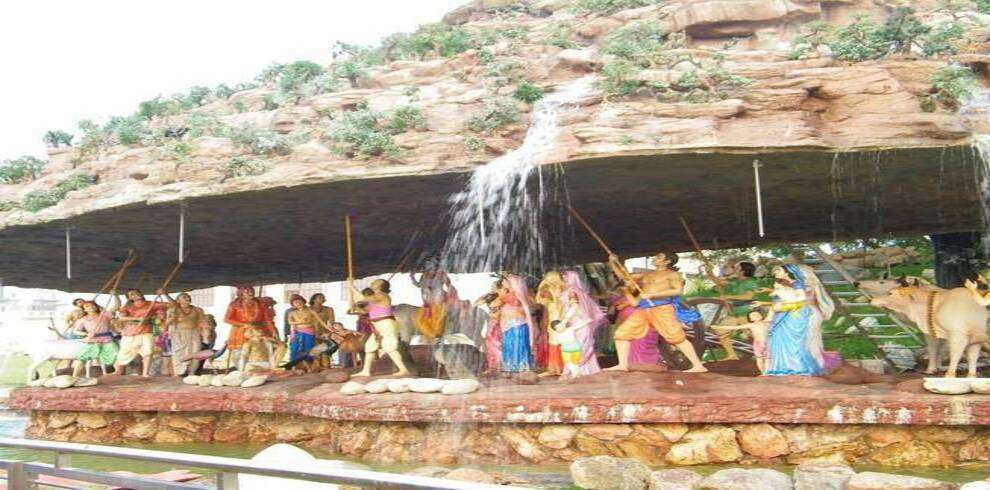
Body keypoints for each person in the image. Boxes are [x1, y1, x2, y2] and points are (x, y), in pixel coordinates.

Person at [607, 251, 707, 373]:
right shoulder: (648, 274)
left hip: (662, 309)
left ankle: (698, 366)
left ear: (667, 261)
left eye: (659, 257)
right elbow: (624, 277)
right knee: (621, 334)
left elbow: (678, 290)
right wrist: (613, 262)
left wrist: (652, 294)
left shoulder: (672, 274)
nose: (655, 258)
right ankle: (622, 365)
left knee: (676, 338)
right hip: (644, 309)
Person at [760, 264, 832, 376]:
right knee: (781, 338)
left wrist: (784, 303)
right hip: (786, 312)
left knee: (794, 340)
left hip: (795, 313)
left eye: (779, 270)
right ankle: (784, 365)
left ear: (787, 272)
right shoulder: (784, 284)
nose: (777, 273)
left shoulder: (797, 283)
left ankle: (797, 367)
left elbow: (801, 298)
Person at [350, 278, 410, 377]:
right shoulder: (374, 298)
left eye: (376, 282)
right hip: (377, 325)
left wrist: (352, 287)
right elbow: (365, 311)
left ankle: (403, 370)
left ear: (380, 286)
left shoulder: (382, 295)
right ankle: (366, 371)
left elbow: (363, 299)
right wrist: (356, 308)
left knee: (389, 346)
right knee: (370, 346)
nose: (373, 282)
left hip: (386, 323)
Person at [713, 261, 771, 360]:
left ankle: (771, 355)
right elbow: (718, 282)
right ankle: (732, 355)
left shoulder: (751, 282)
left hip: (747, 312)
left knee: (755, 335)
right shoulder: (735, 281)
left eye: (736, 267)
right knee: (720, 331)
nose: (734, 268)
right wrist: (708, 271)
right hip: (735, 312)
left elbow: (748, 296)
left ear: (742, 270)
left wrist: (728, 296)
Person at [554, 271, 606, 379]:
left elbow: (575, 306)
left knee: (577, 348)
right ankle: (585, 370)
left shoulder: (572, 291)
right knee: (582, 346)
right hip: (581, 323)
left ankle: (574, 371)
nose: (562, 282)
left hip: (579, 324)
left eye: (564, 279)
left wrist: (564, 321)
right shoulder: (579, 291)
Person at [111, 288, 168, 377]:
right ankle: (118, 370)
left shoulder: (151, 304)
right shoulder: (127, 306)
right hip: (130, 331)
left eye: (137, 292)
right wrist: (137, 319)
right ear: (129, 298)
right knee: (125, 350)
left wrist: (164, 294)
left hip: (146, 330)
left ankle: (145, 373)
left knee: (148, 351)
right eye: (132, 294)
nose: (135, 294)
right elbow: (121, 318)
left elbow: (172, 305)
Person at [490, 275, 535, 373]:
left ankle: (518, 367)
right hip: (512, 325)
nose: (503, 282)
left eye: (505, 281)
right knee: (512, 346)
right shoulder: (516, 295)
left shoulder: (513, 295)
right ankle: (514, 367)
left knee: (515, 346)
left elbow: (495, 303)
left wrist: (498, 295)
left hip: (516, 326)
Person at [225, 286, 279, 368]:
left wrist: (272, 330)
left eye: (252, 291)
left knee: (264, 348)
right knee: (240, 351)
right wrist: (244, 325)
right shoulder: (234, 304)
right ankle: (240, 369)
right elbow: (227, 319)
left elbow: (267, 319)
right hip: (241, 331)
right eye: (247, 292)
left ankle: (262, 369)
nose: (251, 293)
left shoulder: (261, 304)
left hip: (259, 330)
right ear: (241, 294)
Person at [164, 292, 211, 376]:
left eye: (188, 297)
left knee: (196, 352)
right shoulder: (172, 310)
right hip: (179, 334)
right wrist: (173, 317)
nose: (187, 298)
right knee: (178, 353)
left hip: (194, 333)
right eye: (184, 297)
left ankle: (191, 371)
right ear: (178, 301)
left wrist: (205, 331)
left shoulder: (197, 309)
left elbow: (202, 321)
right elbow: (167, 323)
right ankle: (178, 372)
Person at [72, 299, 121, 377]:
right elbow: (75, 331)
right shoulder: (83, 319)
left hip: (107, 339)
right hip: (92, 340)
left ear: (96, 306)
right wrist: (86, 333)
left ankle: (118, 374)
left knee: (116, 355)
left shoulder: (105, 314)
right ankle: (74, 377)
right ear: (84, 309)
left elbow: (116, 306)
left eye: (92, 305)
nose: (90, 307)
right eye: (87, 306)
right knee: (82, 358)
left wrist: (115, 295)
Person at [712, 309, 770, 373]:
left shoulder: (766, 323)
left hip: (767, 343)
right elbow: (734, 328)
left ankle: (767, 372)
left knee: (767, 359)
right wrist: (718, 327)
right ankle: (763, 373)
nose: (756, 315)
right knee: (759, 359)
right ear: (751, 319)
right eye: (753, 315)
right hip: (757, 344)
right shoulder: (751, 325)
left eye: (757, 314)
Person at [535, 271, 566, 377]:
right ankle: (562, 367)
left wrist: (542, 285)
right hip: (562, 318)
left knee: (554, 344)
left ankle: (554, 369)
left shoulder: (547, 290)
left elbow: (540, 301)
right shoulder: (561, 289)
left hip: (554, 319)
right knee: (561, 343)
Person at [286, 294, 320, 370]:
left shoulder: (311, 311)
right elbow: (290, 322)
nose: (298, 303)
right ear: (293, 305)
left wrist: (318, 333)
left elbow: (317, 322)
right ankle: (295, 366)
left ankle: (309, 367)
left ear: (304, 302)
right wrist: (299, 322)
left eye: (299, 301)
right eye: (295, 302)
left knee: (309, 348)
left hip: (309, 332)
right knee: (295, 348)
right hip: (296, 332)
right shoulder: (291, 312)